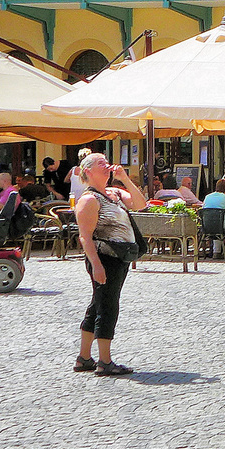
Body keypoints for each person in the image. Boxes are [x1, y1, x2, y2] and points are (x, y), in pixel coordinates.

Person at [73, 152, 146, 376]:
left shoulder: (113, 193)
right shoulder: (89, 200)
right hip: (104, 257)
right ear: (88, 171)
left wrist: (124, 179)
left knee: (98, 303)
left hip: (119, 257)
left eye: (106, 162)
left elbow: (140, 204)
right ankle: (105, 361)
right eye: (100, 164)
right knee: (108, 306)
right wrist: (96, 265)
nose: (107, 166)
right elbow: (85, 236)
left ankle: (84, 357)